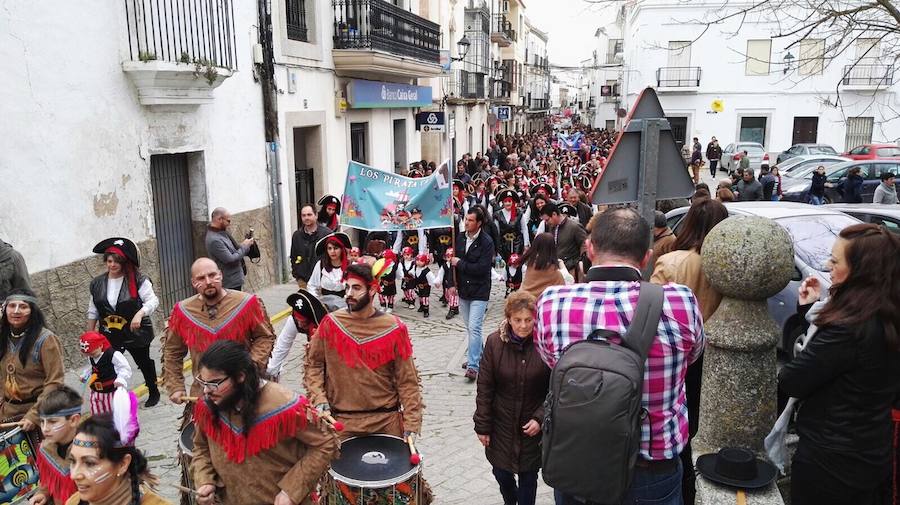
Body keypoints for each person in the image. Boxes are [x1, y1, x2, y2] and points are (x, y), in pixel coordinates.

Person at [535, 208, 705, 505]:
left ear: (589, 249)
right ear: (646, 257)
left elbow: (554, 363)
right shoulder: (680, 302)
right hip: (650, 467)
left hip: (577, 462)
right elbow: (692, 357)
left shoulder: (552, 303)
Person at [779, 223, 900, 505]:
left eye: (835, 260)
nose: (827, 265)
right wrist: (810, 310)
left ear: (861, 272)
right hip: (872, 447)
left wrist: (818, 321)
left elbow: (793, 379)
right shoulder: (888, 314)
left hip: (830, 460)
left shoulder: (849, 329)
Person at [191, 341, 339, 505]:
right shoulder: (208, 405)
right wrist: (204, 479)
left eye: (214, 383)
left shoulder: (284, 405)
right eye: (203, 382)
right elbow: (201, 447)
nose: (206, 391)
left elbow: (325, 443)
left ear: (240, 376)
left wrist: (291, 491)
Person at [650, 198, 729, 505]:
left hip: (676, 355)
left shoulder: (673, 262)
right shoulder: (724, 265)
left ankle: (682, 486)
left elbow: (651, 312)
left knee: (678, 423)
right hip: (714, 353)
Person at [303, 262, 425, 438]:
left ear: (373, 290)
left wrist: (412, 421)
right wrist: (318, 397)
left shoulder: (395, 328)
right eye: (347, 287)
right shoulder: (330, 324)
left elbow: (407, 379)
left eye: (356, 288)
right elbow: (313, 364)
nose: (349, 294)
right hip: (342, 422)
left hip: (386, 422)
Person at [162, 258, 275, 406]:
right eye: (201, 278)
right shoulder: (182, 312)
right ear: (193, 282)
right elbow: (172, 351)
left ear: (220, 275)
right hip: (204, 394)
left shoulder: (247, 303)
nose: (208, 281)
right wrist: (175, 385)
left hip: (243, 389)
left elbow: (264, 337)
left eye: (212, 275)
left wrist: (250, 366)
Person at [474, 291, 550, 505]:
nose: (524, 326)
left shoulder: (545, 343)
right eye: (518, 320)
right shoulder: (494, 343)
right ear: (508, 318)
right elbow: (485, 386)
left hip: (531, 426)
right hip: (502, 424)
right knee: (501, 474)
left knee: (528, 477)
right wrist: (483, 425)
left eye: (528, 320)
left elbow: (555, 387)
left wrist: (540, 417)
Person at [87, 237, 161, 407]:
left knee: (143, 362)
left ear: (125, 262)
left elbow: (152, 301)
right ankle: (113, 398)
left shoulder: (139, 280)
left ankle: (153, 390)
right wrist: (90, 334)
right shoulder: (97, 283)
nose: (112, 265)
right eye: (109, 261)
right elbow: (93, 310)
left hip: (135, 331)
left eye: (117, 262)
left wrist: (140, 314)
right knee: (109, 366)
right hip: (109, 333)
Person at [0, 289, 65, 432]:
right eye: (12, 306)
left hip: (39, 413)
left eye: (23, 307)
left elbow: (55, 382)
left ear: (32, 311)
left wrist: (34, 416)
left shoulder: (46, 339)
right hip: (8, 413)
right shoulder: (3, 336)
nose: (16, 311)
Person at [66, 414, 169, 505]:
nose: (74, 475)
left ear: (122, 464)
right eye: (73, 461)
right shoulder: (74, 501)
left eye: (90, 463)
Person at [453, 206, 495, 381]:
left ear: (479, 223)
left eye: (470, 220)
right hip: (463, 290)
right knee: (470, 328)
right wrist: (451, 283)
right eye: (466, 219)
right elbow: (452, 264)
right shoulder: (460, 238)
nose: (466, 223)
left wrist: (460, 264)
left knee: (475, 327)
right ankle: (480, 356)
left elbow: (481, 268)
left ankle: (473, 366)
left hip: (480, 290)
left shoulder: (487, 242)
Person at [31, 386, 83, 505]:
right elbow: (48, 480)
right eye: (42, 421)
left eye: (52, 422)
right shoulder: (46, 449)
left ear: (74, 420)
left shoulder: (91, 451)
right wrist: (43, 493)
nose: (44, 429)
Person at [266, 289, 328, 381]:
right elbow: (282, 345)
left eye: (303, 322)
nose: (299, 324)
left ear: (310, 319)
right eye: (297, 320)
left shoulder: (324, 325)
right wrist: (271, 371)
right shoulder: (294, 320)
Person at [79, 331, 131, 415]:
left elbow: (124, 367)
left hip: (112, 389)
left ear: (100, 345)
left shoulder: (113, 355)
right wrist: (85, 375)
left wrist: (121, 378)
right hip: (96, 390)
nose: (91, 356)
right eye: (88, 354)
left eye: (93, 353)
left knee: (115, 412)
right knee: (97, 413)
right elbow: (92, 367)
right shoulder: (91, 357)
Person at [204, 208, 254, 291]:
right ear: (220, 219)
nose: (229, 224)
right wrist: (245, 247)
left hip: (234, 279)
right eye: (228, 221)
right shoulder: (214, 240)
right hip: (230, 282)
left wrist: (245, 244)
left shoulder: (221, 232)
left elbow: (233, 250)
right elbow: (230, 259)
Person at [289, 204, 332, 288]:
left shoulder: (327, 234)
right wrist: (297, 275)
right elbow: (293, 256)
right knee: (305, 301)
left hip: (322, 279)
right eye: (303, 215)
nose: (306, 218)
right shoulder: (297, 235)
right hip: (303, 280)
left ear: (316, 215)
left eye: (309, 214)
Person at [306, 232, 351, 311]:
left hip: (345, 308)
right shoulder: (320, 265)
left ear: (342, 249)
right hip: (325, 307)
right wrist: (317, 303)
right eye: (329, 248)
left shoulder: (350, 266)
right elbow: (312, 285)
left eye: (336, 248)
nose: (332, 251)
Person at [540, 202, 587, 277]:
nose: (546, 223)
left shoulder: (574, 226)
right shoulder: (552, 227)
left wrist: (580, 262)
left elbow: (584, 245)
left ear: (554, 214)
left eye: (547, 220)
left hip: (572, 270)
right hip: (556, 269)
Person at [519, 233, 570, 299]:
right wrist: (562, 264)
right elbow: (568, 280)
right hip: (544, 305)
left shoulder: (530, 266)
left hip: (525, 303)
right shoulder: (554, 272)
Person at [493, 189, 529, 266]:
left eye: (509, 201)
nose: (507, 203)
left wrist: (526, 245)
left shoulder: (519, 213)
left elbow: (524, 229)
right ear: (502, 203)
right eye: (505, 201)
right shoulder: (497, 214)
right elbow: (496, 232)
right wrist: (497, 247)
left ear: (513, 202)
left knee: (517, 265)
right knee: (505, 266)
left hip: (518, 244)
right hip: (503, 245)